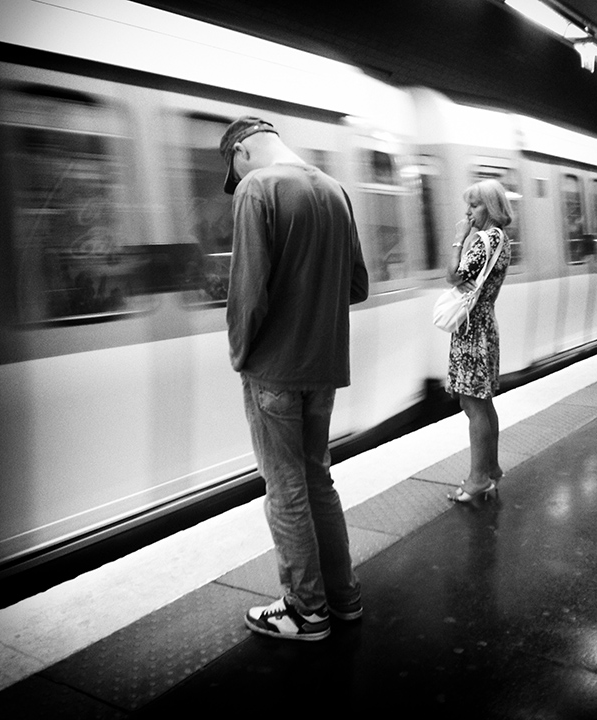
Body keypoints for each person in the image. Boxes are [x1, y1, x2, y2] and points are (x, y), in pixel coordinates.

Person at [220, 116, 369, 641]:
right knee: (316, 478)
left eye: (233, 172)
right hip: (323, 368)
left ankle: (306, 610)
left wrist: (240, 355)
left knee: (284, 489)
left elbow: (248, 293)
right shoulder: (335, 190)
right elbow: (357, 285)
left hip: (275, 371)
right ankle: (342, 596)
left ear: (241, 152)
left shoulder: (258, 189)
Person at [444, 179, 512, 503]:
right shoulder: (501, 239)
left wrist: (460, 240)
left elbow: (454, 275)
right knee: (482, 402)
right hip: (483, 323)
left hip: (474, 329)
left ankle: (478, 479)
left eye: (475, 205)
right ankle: (492, 469)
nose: (468, 211)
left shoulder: (485, 240)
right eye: (468, 204)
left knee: (472, 405)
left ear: (492, 207)